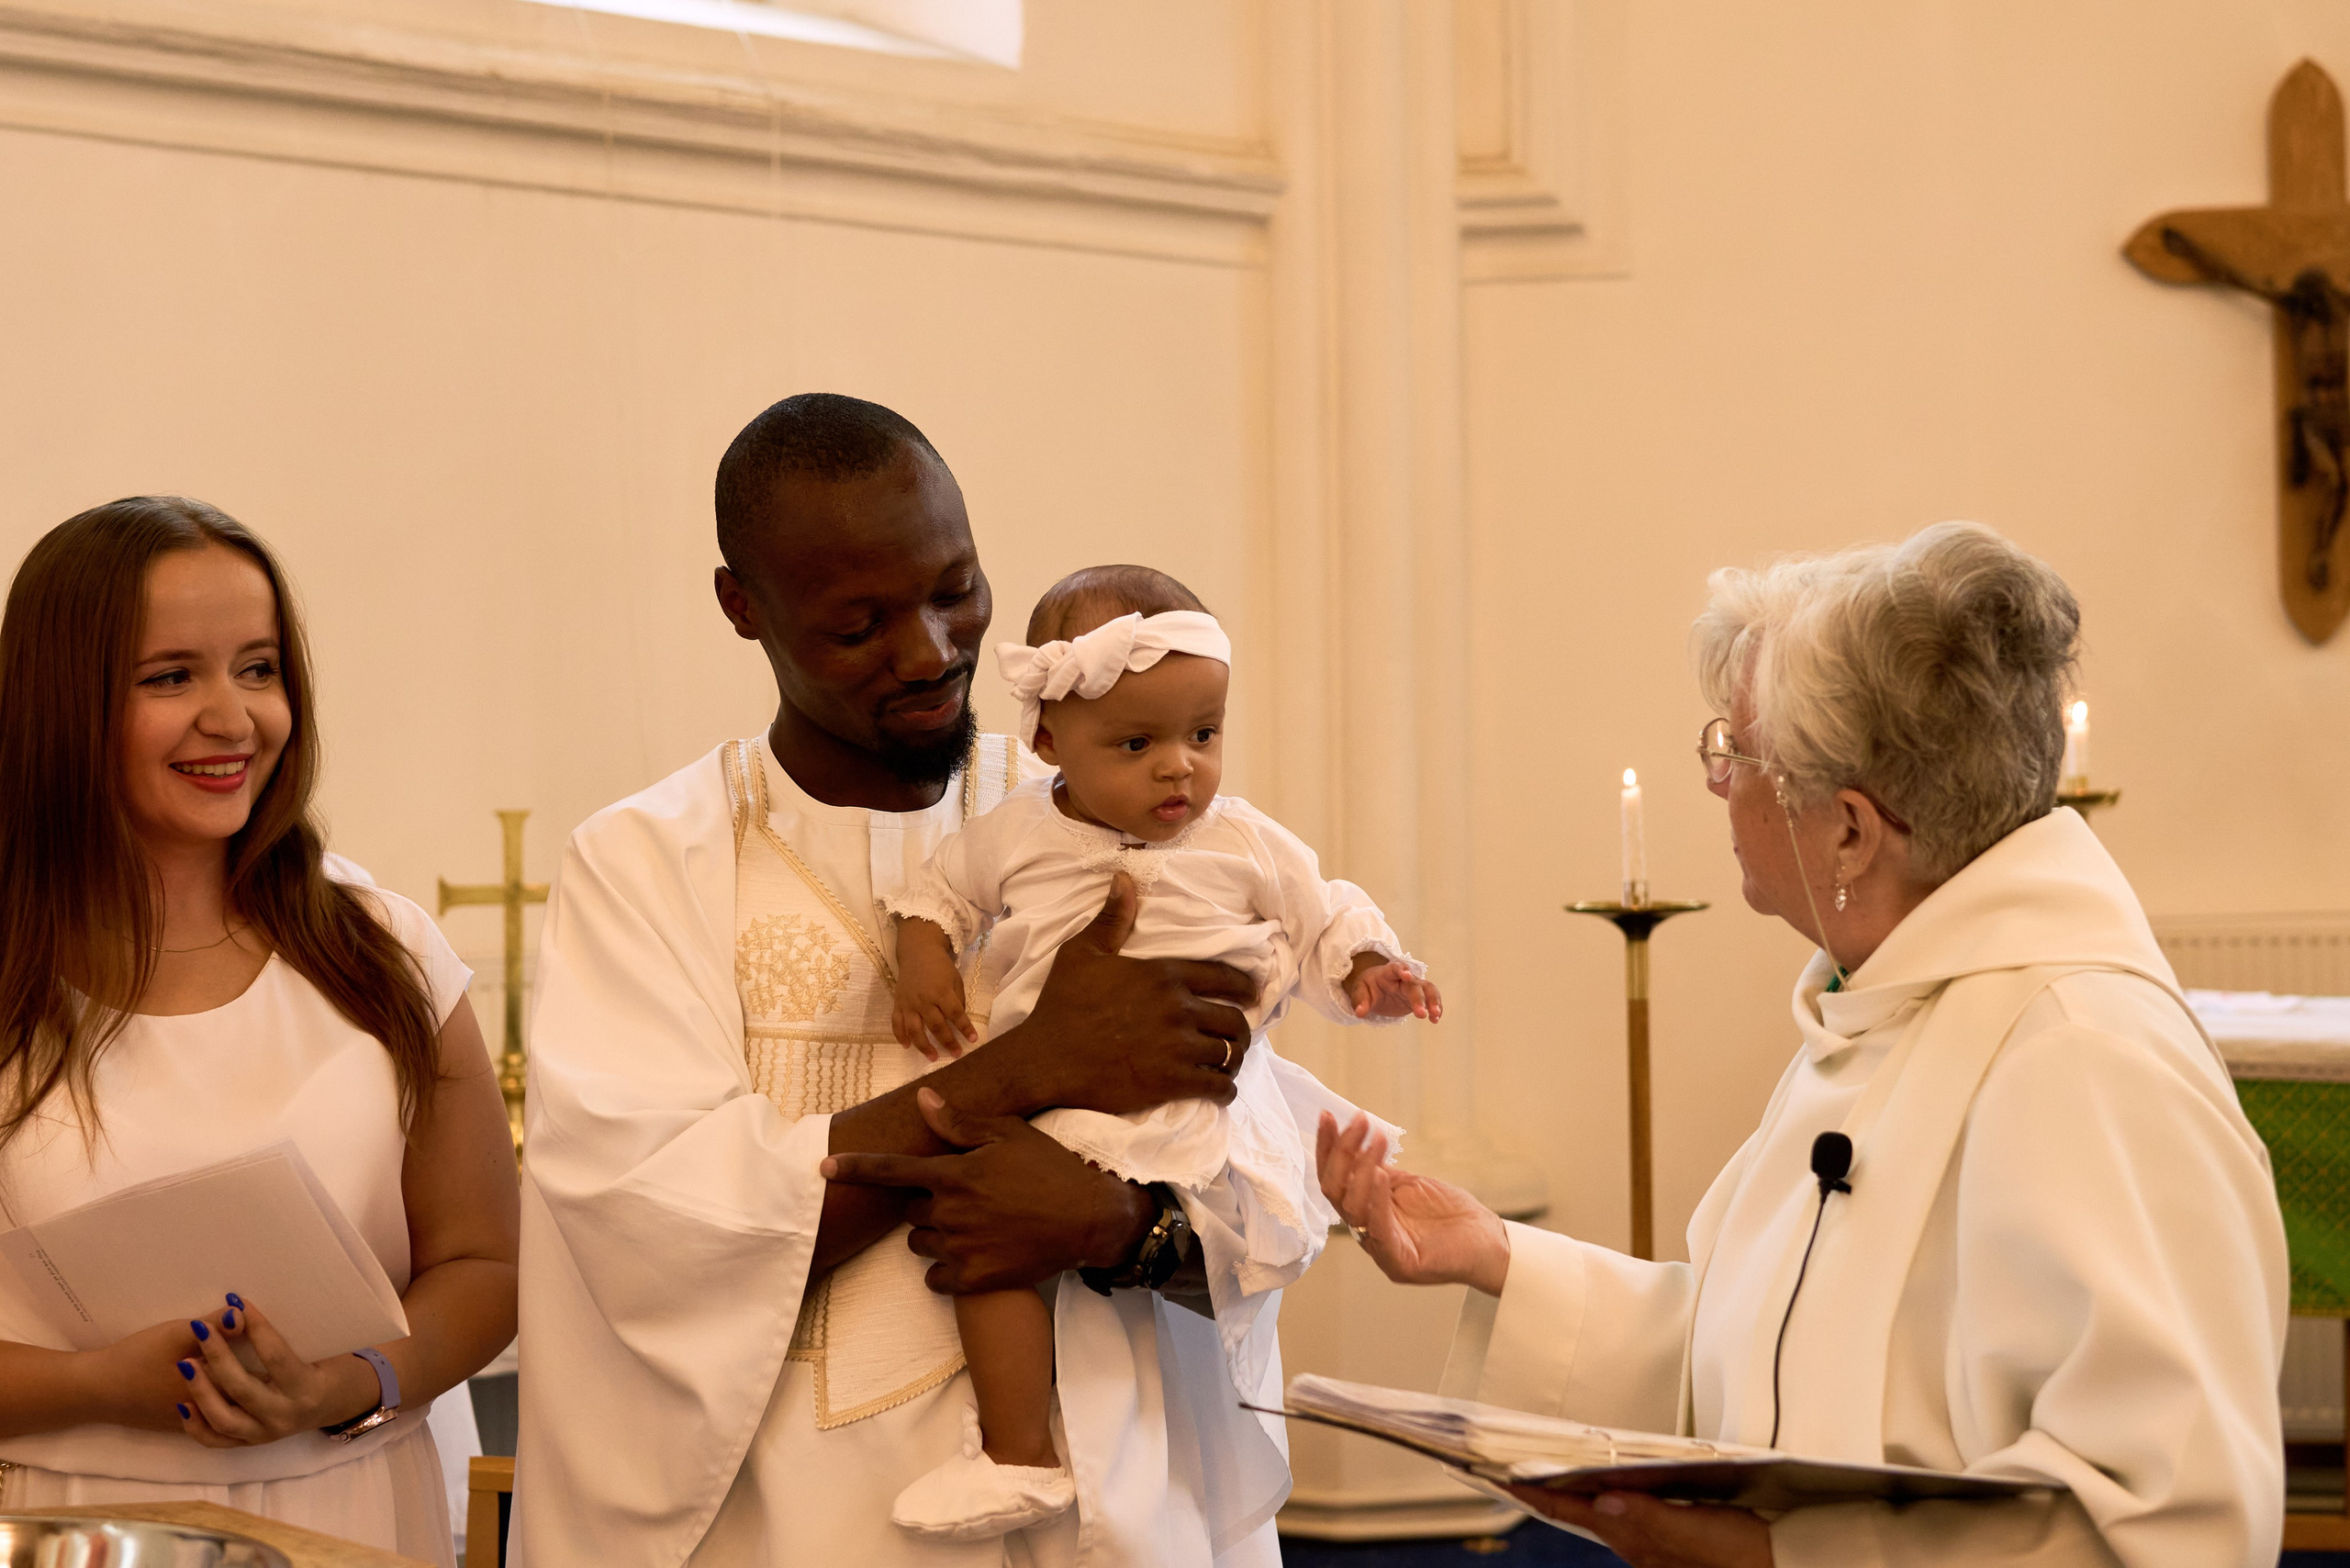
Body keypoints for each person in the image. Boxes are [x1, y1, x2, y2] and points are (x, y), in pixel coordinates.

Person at [1315, 521, 2288, 1568]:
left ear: (1852, 830)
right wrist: (1501, 1258)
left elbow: (2177, 1524)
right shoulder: (1880, 1010)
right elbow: (1776, 1355)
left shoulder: (2084, 1057)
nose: (1714, 780)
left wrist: (1784, 1559)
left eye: (1734, 753)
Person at [513, 396, 1299, 1567]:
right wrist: (1028, 1067)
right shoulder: (646, 861)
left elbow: (1255, 1177)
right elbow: (648, 1230)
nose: (930, 651)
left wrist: (1120, 1222)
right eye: (858, 623)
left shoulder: (1107, 811)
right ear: (744, 607)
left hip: (1119, 1509)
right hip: (800, 1529)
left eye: (954, 589)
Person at [0, 498, 520, 1566]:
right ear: (61, 701)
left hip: (353, 1504)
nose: (234, 719)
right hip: (65, 1515)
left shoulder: (384, 952)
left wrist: (344, 1384)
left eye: (259, 668)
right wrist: (98, 1385)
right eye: (170, 677)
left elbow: (485, 1267)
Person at [882, 565, 1431, 1540]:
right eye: (1137, 743)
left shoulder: (1245, 840)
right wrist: (923, 961)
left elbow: (1323, 917)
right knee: (988, 1246)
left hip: (1200, 1102)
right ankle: (1018, 1455)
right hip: (1058, 1103)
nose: (1180, 767)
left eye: (1204, 734)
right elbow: (937, 894)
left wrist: (1370, 969)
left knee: (1218, 1259)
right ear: (1048, 739)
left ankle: (1185, 1479)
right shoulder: (1013, 832)